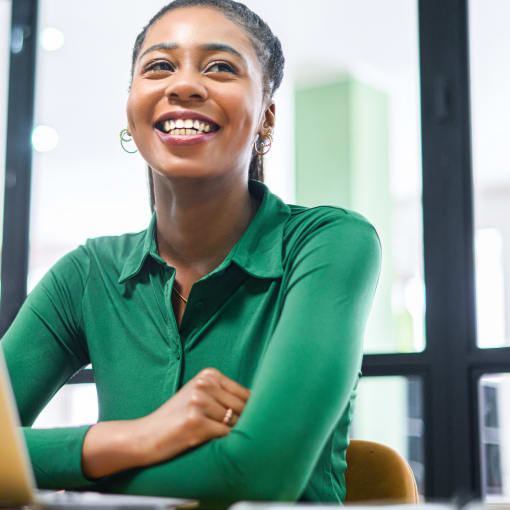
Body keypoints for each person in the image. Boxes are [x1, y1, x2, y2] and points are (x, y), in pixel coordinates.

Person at [0, 0, 381, 506]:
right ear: (132, 110)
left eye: (220, 67)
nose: (183, 85)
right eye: (159, 66)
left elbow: (260, 477)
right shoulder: (86, 274)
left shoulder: (329, 242)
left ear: (266, 118)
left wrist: (71, 476)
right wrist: (138, 436)